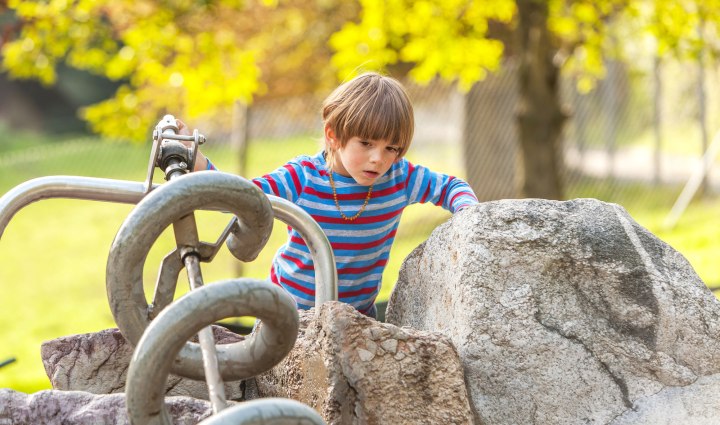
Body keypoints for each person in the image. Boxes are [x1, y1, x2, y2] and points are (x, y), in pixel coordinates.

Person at [178, 72, 478, 319]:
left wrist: (469, 216)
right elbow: (244, 197)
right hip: (291, 313)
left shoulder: (400, 177)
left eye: (392, 148)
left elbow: (451, 186)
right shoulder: (304, 176)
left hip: (357, 315)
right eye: (366, 143)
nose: (379, 158)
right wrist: (199, 163)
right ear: (333, 135)